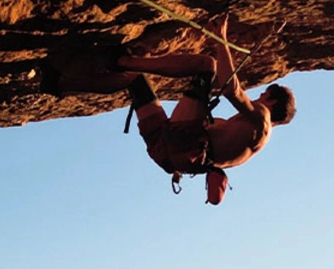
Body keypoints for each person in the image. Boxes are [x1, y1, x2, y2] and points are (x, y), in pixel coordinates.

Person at [53, 16, 295, 204]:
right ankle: (59, 83)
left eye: (263, 94)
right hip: (168, 154)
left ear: (272, 102)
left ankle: (121, 60)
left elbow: (232, 90)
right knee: (135, 80)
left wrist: (220, 37)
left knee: (206, 65)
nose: (258, 96)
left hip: (182, 143)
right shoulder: (248, 141)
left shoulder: (262, 119)